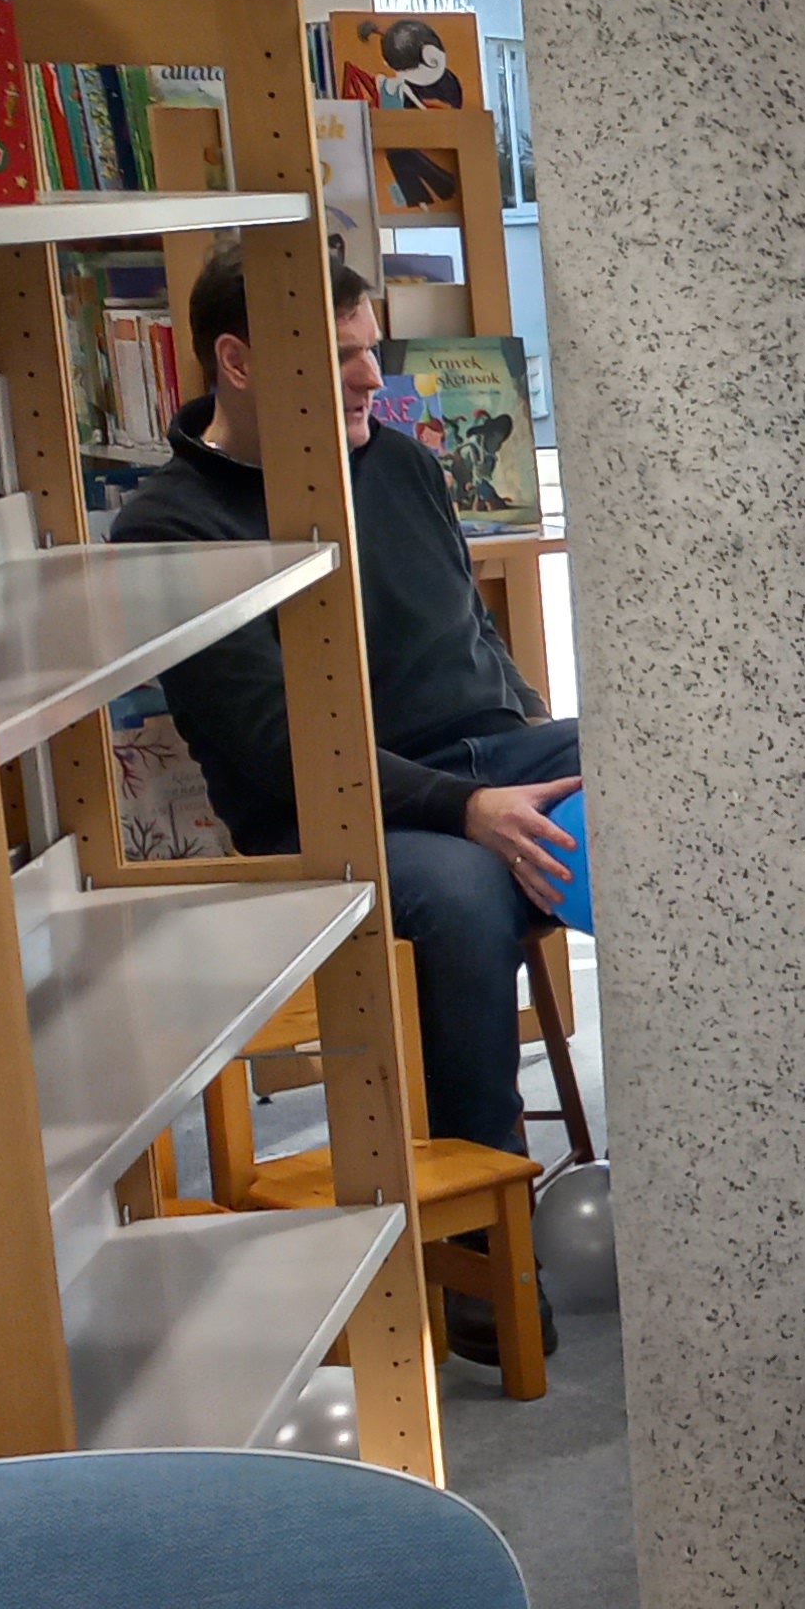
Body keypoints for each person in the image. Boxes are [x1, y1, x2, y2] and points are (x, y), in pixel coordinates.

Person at [118, 252, 574, 1165]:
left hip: (486, 757)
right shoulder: (169, 531)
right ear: (238, 363)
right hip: (329, 816)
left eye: (370, 348)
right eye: (339, 356)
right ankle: (483, 1218)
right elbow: (276, 750)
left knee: (664, 776)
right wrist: (468, 808)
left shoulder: (401, 462)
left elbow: (471, 631)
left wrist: (527, 733)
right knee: (463, 896)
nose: (374, 377)